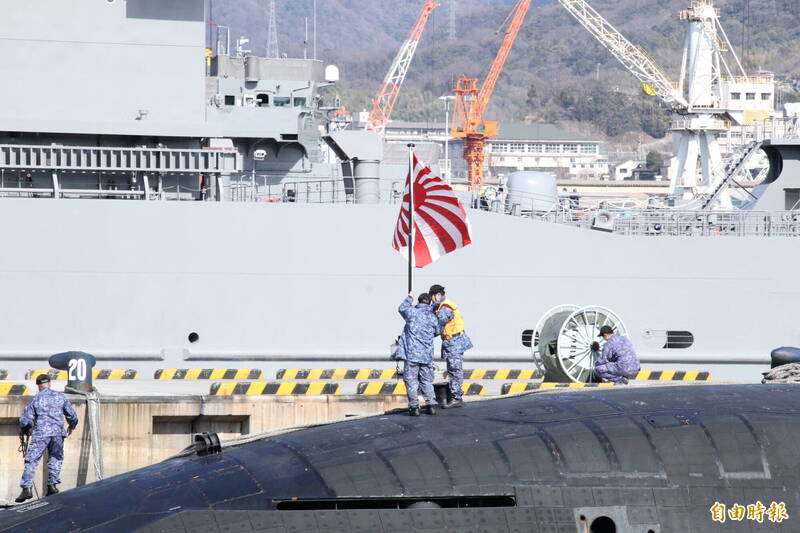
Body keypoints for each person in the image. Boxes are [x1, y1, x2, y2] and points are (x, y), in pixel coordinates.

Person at [15, 374, 79, 503]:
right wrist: (72, 426)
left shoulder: (36, 399)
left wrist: (25, 429)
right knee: (55, 458)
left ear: (38, 386)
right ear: (50, 383)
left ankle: (27, 488)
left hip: (41, 434)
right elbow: (72, 415)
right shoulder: (61, 397)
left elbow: (26, 420)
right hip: (57, 433)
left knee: (32, 460)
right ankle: (52, 485)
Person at [429, 284, 473, 409]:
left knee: (455, 370)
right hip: (451, 341)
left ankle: (456, 398)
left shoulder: (445, 308)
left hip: (454, 341)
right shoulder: (442, 306)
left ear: (437, 295)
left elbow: (439, 324)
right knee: (453, 369)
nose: (432, 300)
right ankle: (456, 396)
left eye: (432, 297)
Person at [397, 292, 440, 416]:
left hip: (412, 354)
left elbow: (402, 308)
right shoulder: (433, 317)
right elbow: (437, 332)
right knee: (426, 381)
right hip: (426, 355)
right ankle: (431, 405)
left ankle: (414, 407)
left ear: (418, 302)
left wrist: (410, 297)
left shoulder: (412, 313)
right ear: (429, 302)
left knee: (411, 381)